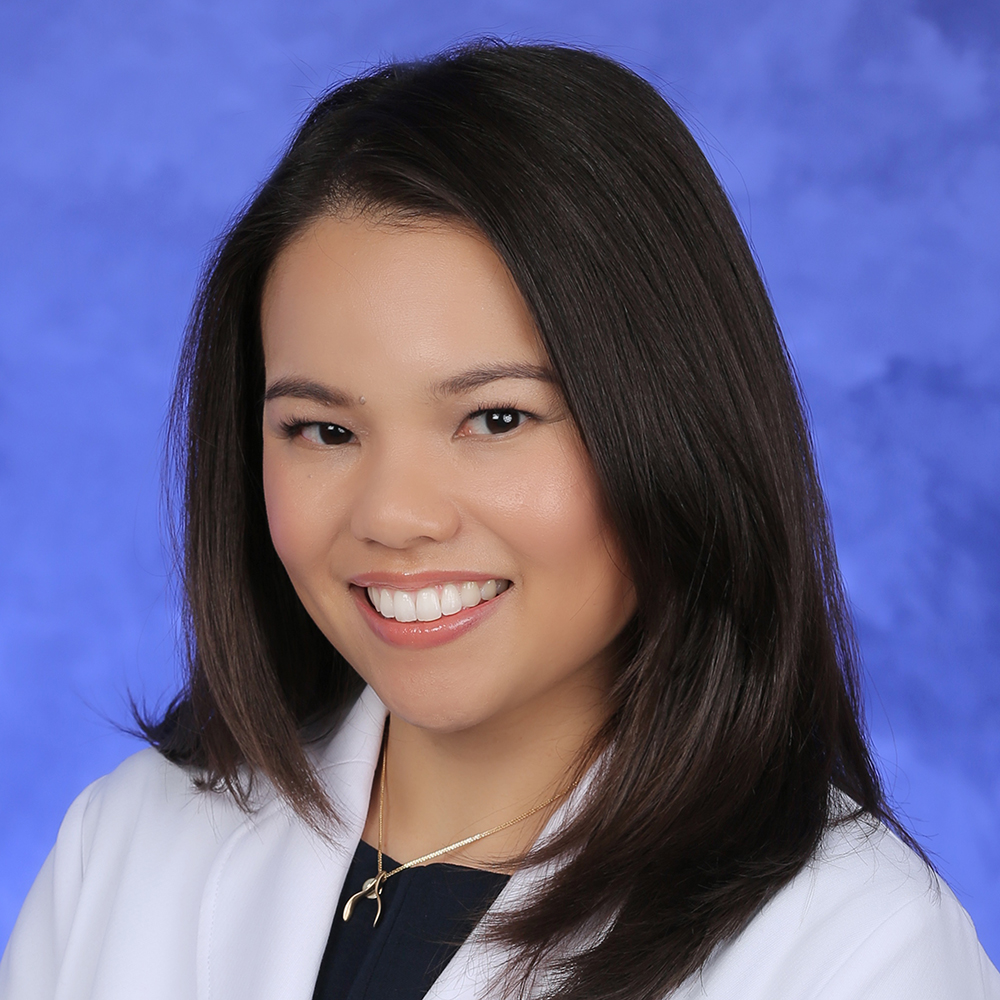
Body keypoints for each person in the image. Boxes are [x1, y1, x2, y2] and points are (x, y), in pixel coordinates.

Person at [1, 40, 997, 1000]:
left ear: (675, 429)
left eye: (496, 417)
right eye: (320, 428)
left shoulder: (854, 952)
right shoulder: (128, 843)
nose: (393, 515)